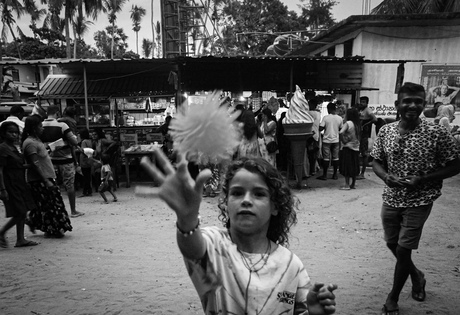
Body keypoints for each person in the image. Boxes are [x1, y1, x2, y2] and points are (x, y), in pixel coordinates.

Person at [141, 152, 338, 315]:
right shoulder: (215, 245)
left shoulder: (291, 265)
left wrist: (313, 313)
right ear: (226, 203)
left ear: (275, 207)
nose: (246, 200)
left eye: (259, 194)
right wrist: (186, 219)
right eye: (236, 193)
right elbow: (192, 247)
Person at [371, 82, 460, 315]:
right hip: (391, 197)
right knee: (392, 243)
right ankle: (416, 275)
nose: (413, 105)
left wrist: (422, 178)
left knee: (403, 249)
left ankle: (393, 298)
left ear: (424, 104)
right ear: (397, 104)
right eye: (407, 101)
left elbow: (455, 165)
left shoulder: (437, 132)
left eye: (418, 101)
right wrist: (386, 177)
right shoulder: (386, 131)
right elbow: (376, 160)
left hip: (420, 199)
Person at [22, 115, 73, 238]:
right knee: (50, 205)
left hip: (46, 177)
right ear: (34, 128)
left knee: (46, 204)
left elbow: (40, 158)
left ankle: (36, 222)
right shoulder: (30, 143)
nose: (42, 129)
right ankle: (52, 228)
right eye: (40, 126)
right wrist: (45, 180)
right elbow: (35, 164)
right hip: (40, 179)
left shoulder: (37, 141)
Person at [41, 105, 84, 218]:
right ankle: (73, 211)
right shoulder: (62, 125)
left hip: (49, 160)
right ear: (57, 113)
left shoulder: (40, 125)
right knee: (69, 185)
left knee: (52, 186)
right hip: (66, 159)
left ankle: (54, 210)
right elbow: (74, 141)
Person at [0, 122, 38, 248]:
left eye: (16, 132)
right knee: (20, 212)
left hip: (19, 182)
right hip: (10, 183)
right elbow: (0, 170)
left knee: (23, 210)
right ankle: (2, 232)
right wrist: (3, 189)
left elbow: (17, 165)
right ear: (4, 133)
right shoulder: (3, 148)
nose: (14, 134)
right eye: (11, 132)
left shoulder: (14, 148)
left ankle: (20, 239)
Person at [317, 102, 343, 180]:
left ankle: (324, 175)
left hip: (326, 140)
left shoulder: (326, 118)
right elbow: (341, 129)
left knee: (326, 158)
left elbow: (320, 128)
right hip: (336, 140)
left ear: (328, 109)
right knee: (336, 158)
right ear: (335, 109)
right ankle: (335, 174)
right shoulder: (339, 118)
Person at [338, 108, 361, 190]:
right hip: (356, 148)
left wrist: (343, 141)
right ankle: (353, 184)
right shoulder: (357, 124)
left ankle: (347, 184)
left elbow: (340, 132)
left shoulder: (348, 123)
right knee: (354, 166)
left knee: (347, 166)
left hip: (347, 147)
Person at [357, 96, 377, 180]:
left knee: (364, 154)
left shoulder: (368, 110)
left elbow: (375, 119)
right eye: (361, 101)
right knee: (358, 153)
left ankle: (362, 173)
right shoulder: (360, 110)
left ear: (367, 103)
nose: (362, 103)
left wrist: (365, 124)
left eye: (364, 102)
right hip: (359, 134)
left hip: (364, 135)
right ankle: (357, 172)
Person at [306, 98, 321, 176]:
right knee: (314, 154)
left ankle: (311, 170)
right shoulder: (318, 113)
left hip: (310, 135)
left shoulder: (310, 113)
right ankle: (313, 169)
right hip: (316, 135)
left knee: (310, 154)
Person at [79, 128, 94, 197]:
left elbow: (84, 150)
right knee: (88, 176)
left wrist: (78, 149)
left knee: (85, 177)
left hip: (84, 161)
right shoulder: (89, 141)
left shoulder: (83, 142)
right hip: (89, 160)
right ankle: (89, 191)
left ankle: (85, 191)